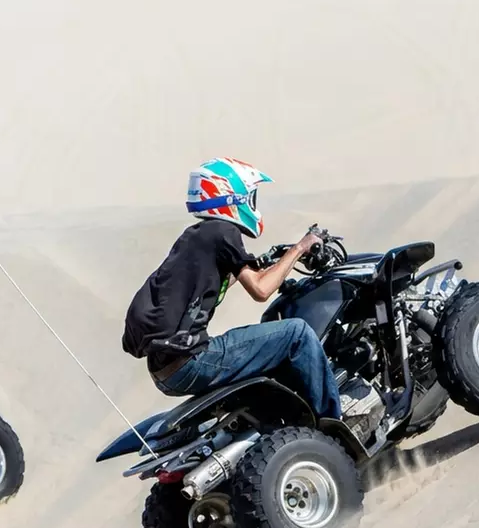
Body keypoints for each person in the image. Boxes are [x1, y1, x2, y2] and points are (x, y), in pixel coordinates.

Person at [122, 157, 343, 421]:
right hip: (193, 361)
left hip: (165, 371)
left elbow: (218, 283)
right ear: (232, 198)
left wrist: (264, 263)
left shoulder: (196, 235)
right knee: (297, 333)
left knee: (266, 341)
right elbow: (261, 290)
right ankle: (333, 425)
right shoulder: (223, 231)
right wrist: (301, 248)